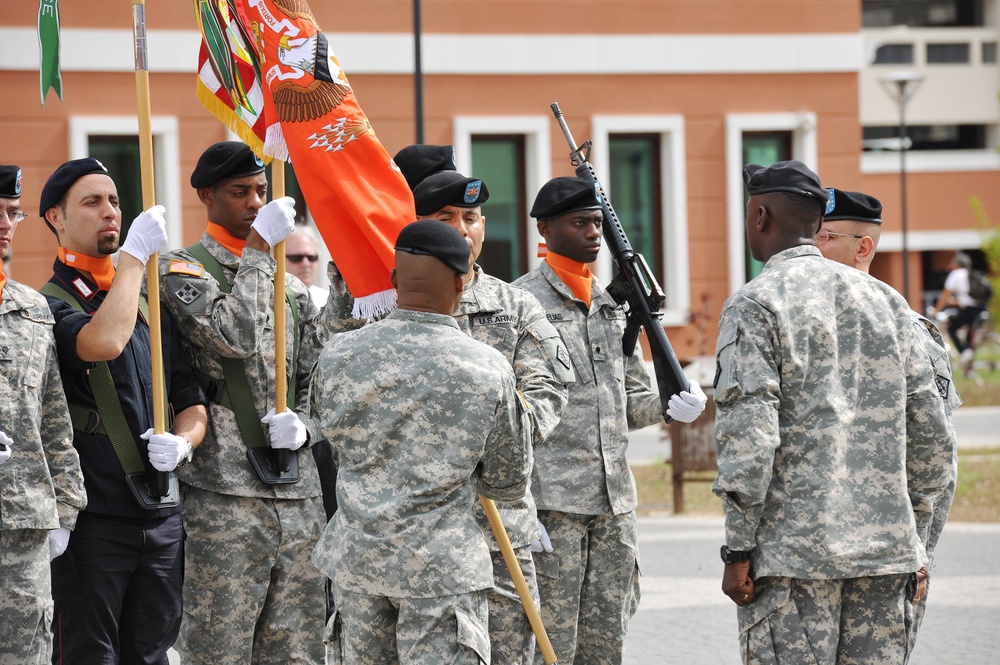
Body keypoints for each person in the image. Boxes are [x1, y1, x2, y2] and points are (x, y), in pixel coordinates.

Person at [712, 161, 954, 664]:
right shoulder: (890, 304)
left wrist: (737, 551)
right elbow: (933, 441)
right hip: (888, 558)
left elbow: (750, 439)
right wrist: (918, 546)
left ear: (759, 215)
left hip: (794, 562)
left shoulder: (756, 304)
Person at [310, 219, 531, 664]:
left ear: (393, 280)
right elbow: (508, 482)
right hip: (442, 572)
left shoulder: (338, 354)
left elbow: (329, 440)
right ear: (462, 280)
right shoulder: (487, 368)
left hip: (359, 564)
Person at [513, 176, 707, 664]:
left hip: (614, 506)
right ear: (546, 228)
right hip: (552, 504)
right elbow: (509, 414)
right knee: (549, 647)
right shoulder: (519, 304)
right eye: (580, 223)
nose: (593, 233)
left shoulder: (613, 305)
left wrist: (671, 402)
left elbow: (630, 400)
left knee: (606, 646)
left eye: (598, 222)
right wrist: (519, 501)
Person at [158, 141, 326, 665]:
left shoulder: (290, 287)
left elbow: (318, 383)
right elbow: (235, 336)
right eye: (240, 192)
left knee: (298, 650)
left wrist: (308, 427)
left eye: (261, 191)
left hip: (299, 495)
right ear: (206, 196)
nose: (255, 202)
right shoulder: (181, 270)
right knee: (219, 648)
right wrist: (257, 248)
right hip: (224, 493)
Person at [39, 157, 208, 664]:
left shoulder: (149, 301)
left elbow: (191, 399)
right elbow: (104, 341)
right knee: (90, 655)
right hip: (93, 520)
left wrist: (183, 443)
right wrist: (134, 257)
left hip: (159, 513)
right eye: (92, 202)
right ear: (56, 218)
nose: (110, 210)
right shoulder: (48, 303)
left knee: (154, 655)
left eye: (114, 200)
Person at [412, 168, 575, 664]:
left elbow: (547, 390)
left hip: (500, 522)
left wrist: (490, 443)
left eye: (472, 217)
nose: (463, 229)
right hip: (420, 530)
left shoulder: (515, 305)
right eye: (446, 218)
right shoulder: (386, 305)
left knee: (511, 651)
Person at [816, 187, 960, 662]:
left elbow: (937, 454)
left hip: (886, 552)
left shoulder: (910, 330)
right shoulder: (801, 325)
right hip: (814, 548)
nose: (811, 246)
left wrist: (918, 546)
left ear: (863, 247)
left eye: (826, 236)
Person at [0, 164, 87, 665]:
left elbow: (53, 417)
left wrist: (66, 510)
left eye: (13, 213)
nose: (7, 223)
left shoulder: (32, 308)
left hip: (24, 525)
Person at [932, 251, 987, 365]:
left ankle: (964, 352)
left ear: (957, 264)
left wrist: (936, 310)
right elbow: (967, 297)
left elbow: (945, 295)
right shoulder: (971, 274)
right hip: (981, 308)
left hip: (969, 310)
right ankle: (969, 367)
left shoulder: (956, 274)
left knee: (952, 328)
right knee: (969, 338)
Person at [285, 228, 328, 307]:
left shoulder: (327, 301)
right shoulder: (268, 300)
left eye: (311, 257)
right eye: (296, 258)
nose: (306, 264)